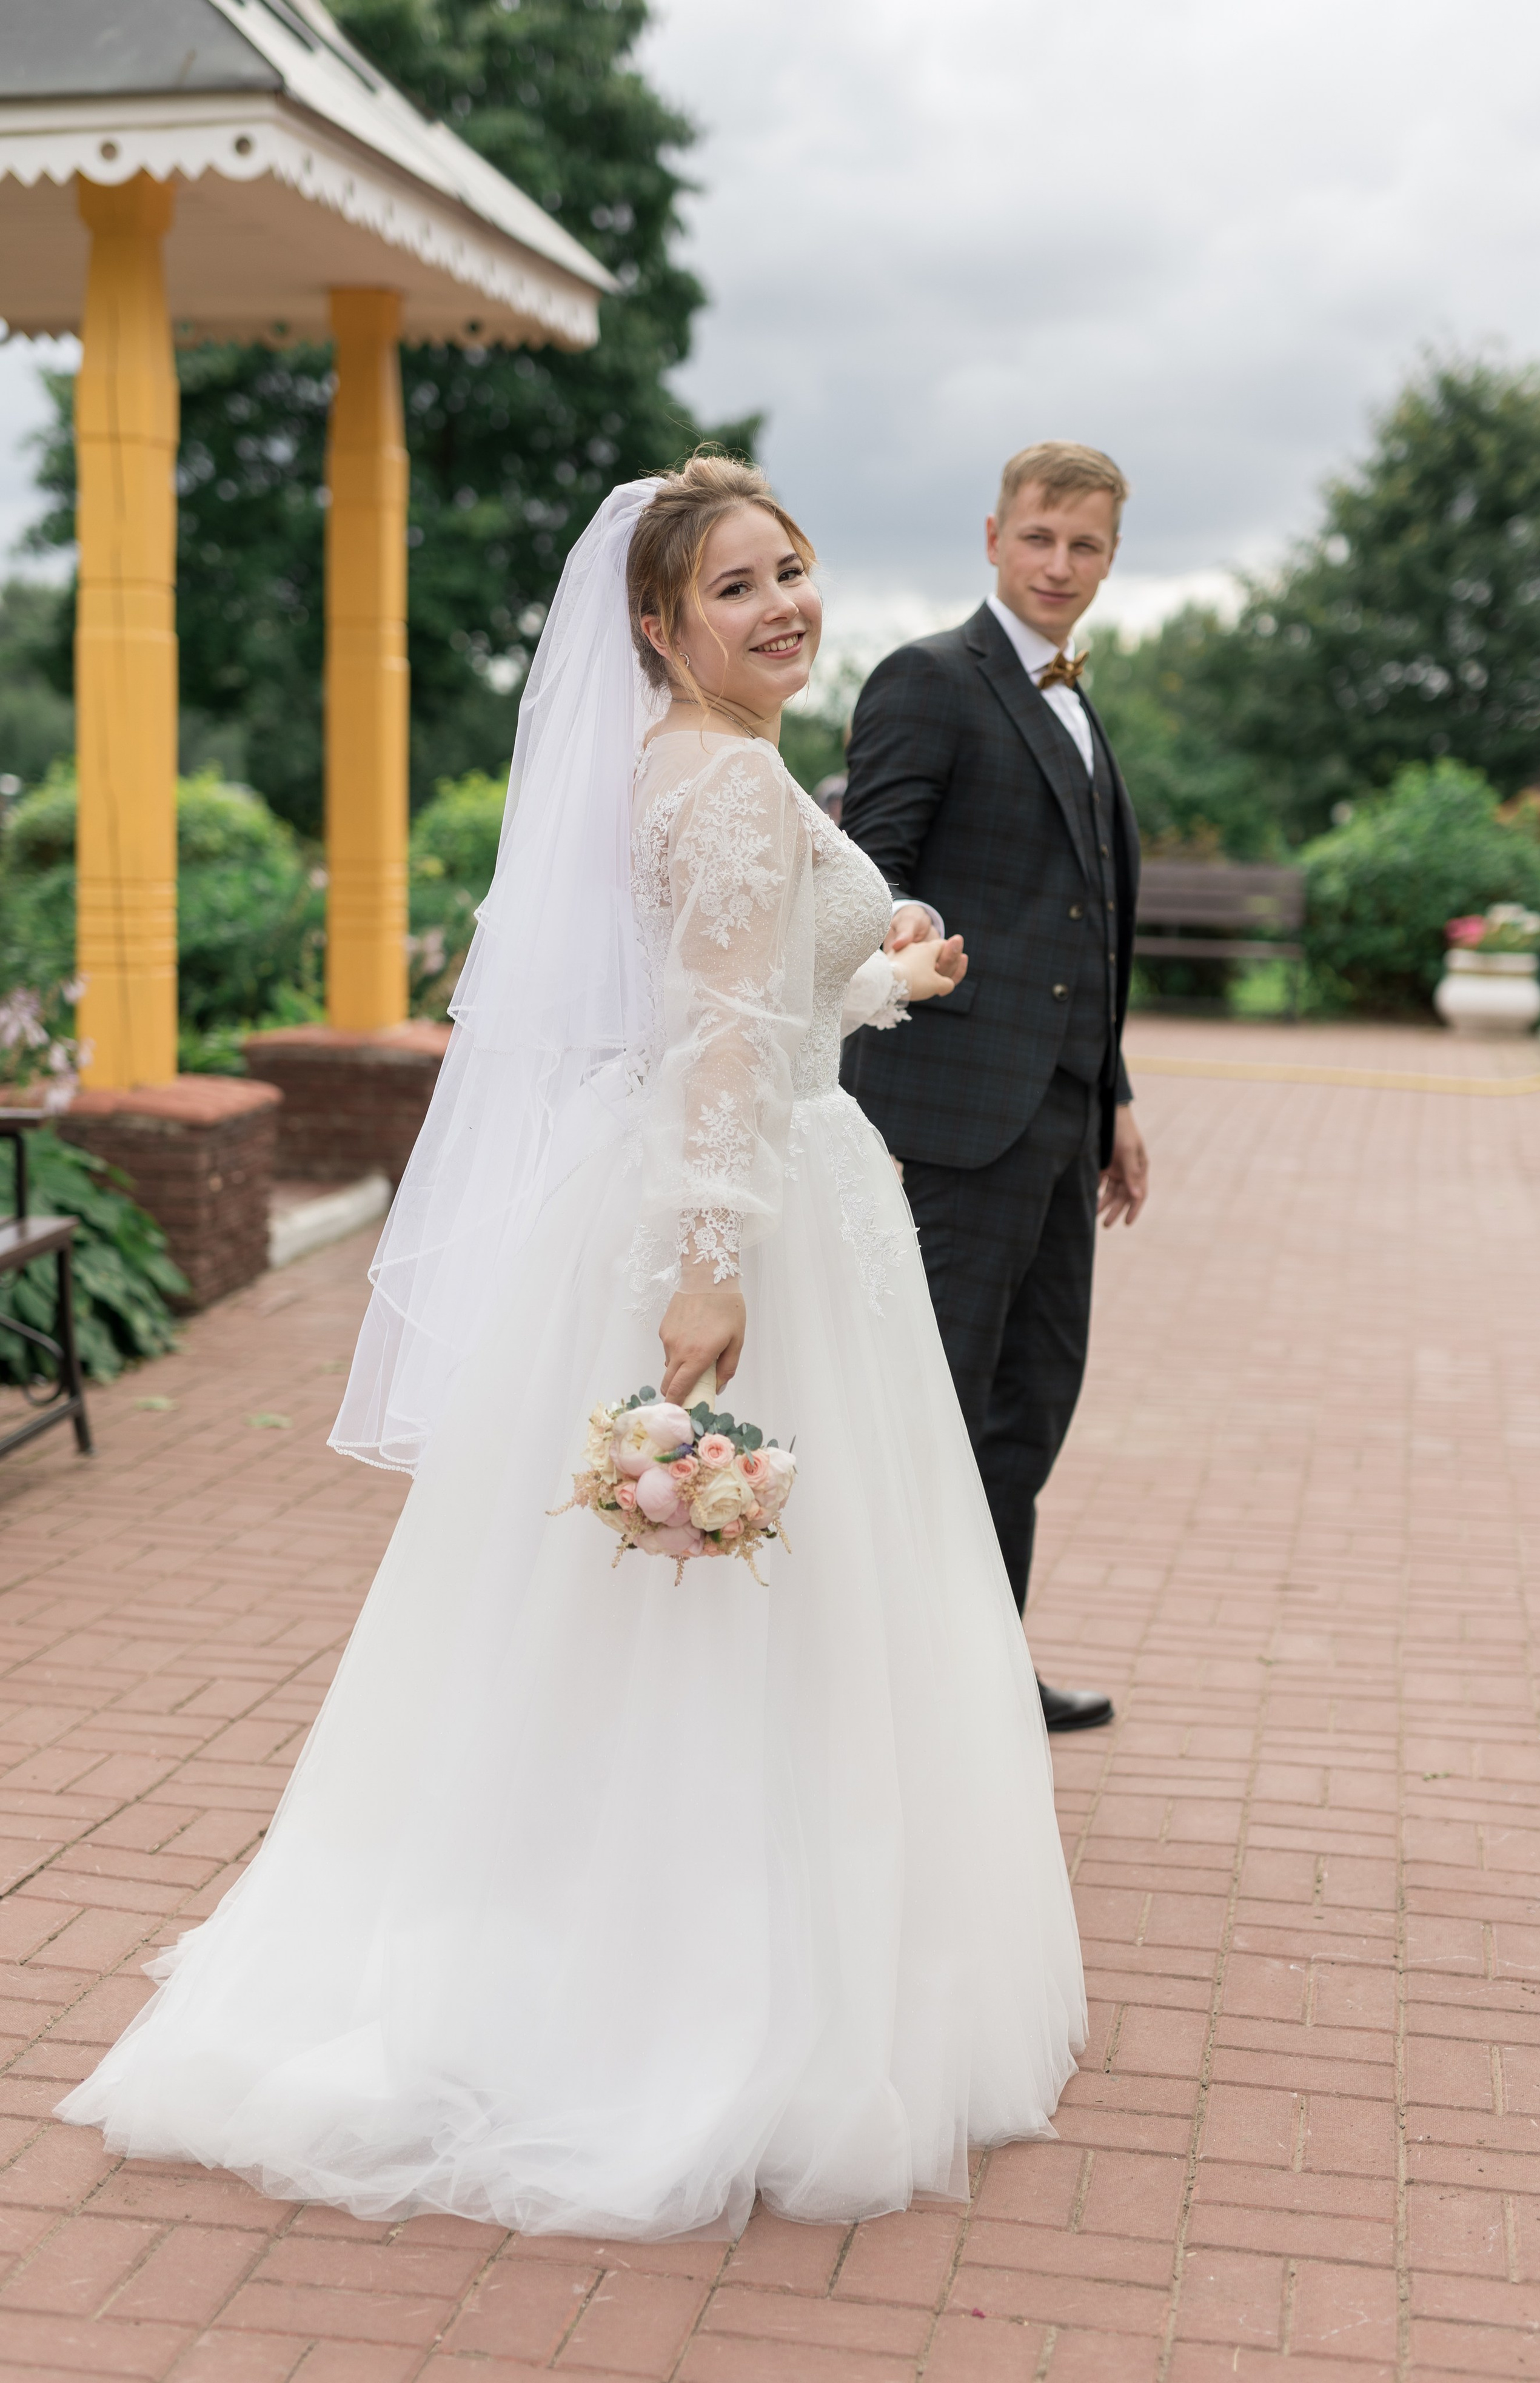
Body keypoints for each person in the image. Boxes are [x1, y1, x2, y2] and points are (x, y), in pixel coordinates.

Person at [58, 458, 1086, 2241]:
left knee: (640, 1607)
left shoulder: (684, 769)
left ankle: (595, 1934)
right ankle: (689, 2002)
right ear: (660, 623)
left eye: (795, 571)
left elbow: (755, 1000)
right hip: (742, 1213)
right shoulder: (735, 783)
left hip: (734, 1166)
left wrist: (880, 976)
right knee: (723, 1592)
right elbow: (708, 1037)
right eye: (739, 588)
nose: (783, 606)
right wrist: (710, 1268)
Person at [842, 442, 1150, 1732]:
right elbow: (867, 870)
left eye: (1083, 547)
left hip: (1063, 1122)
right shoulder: (929, 678)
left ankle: (981, 1680)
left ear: (1109, 556)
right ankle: (892, 1696)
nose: (1058, 567)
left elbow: (1091, 924)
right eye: (1039, 538)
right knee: (933, 1409)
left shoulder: (1079, 703)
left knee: (1026, 1410)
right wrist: (906, 934)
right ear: (990, 534)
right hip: (957, 1114)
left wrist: (1114, 1098)